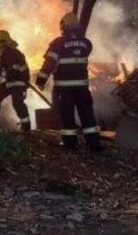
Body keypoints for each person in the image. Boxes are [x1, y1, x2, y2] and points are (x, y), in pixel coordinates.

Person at [35, 12, 101, 151]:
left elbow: (49, 63)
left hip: (64, 89)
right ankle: (94, 143)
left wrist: (41, 80)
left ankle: (70, 144)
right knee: (87, 115)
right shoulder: (86, 43)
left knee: (67, 116)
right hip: (83, 88)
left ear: (63, 26)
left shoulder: (58, 43)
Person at [0, 30, 31, 131]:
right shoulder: (1, 54)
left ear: (1, 42)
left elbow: (10, 71)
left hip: (19, 82)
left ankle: (26, 127)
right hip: (10, 82)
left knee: (18, 103)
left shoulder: (13, 53)